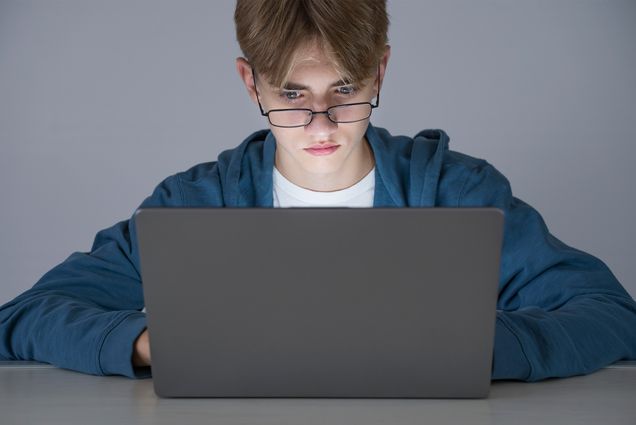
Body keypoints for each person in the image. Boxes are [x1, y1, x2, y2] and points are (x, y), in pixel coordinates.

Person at [1, 0, 635, 381]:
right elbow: (22, 317)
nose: (323, 124)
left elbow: (611, 314)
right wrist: (145, 345)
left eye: (346, 89)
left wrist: (474, 347)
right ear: (251, 84)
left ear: (380, 69)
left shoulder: (458, 192)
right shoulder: (195, 205)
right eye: (292, 96)